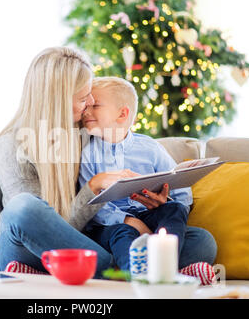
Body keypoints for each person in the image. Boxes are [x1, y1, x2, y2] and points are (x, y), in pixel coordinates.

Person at [0, 47, 217, 278]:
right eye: (82, 98)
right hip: (29, 250)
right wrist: (94, 186)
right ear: (57, 101)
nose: (89, 103)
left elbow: (123, 136)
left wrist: (156, 196)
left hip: (88, 243)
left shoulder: (85, 133)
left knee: (202, 241)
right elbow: (49, 229)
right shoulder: (11, 145)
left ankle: (125, 267)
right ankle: (130, 268)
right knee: (22, 208)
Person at [79, 76, 216, 272]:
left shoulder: (150, 148)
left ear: (122, 114)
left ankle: (164, 267)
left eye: (96, 106)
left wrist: (166, 204)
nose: (87, 111)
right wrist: (130, 221)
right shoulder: (87, 153)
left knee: (189, 224)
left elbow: (181, 193)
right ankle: (137, 275)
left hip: (151, 219)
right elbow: (91, 205)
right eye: (86, 106)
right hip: (111, 226)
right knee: (122, 234)